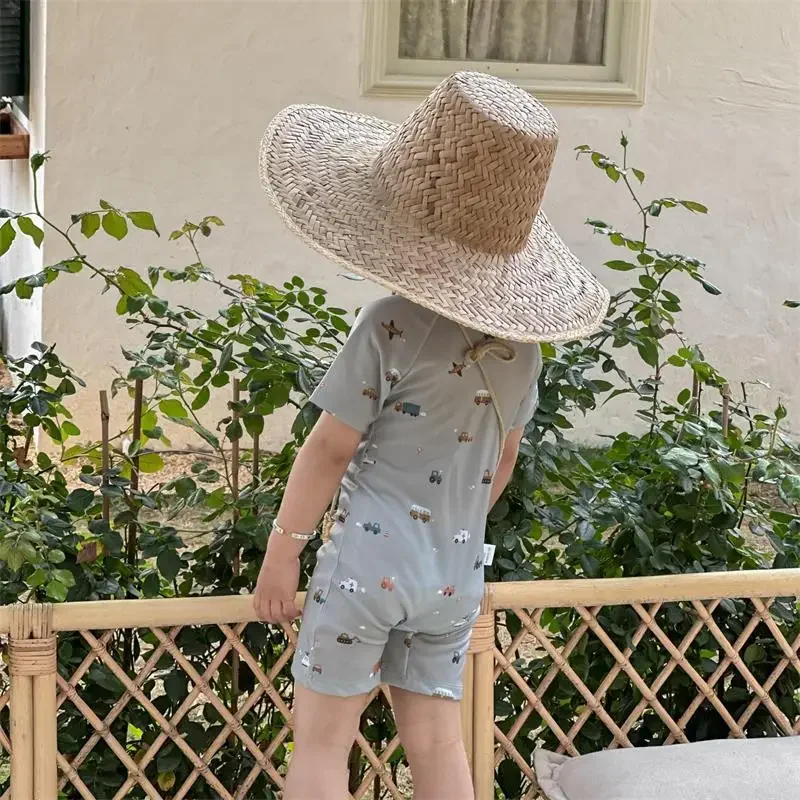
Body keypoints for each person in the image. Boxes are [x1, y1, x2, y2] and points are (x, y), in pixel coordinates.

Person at [253, 71, 609, 800]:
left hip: (364, 569)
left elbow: (330, 447)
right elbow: (501, 459)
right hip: (453, 574)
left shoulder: (391, 323)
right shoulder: (525, 351)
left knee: (324, 745)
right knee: (440, 745)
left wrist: (281, 553)